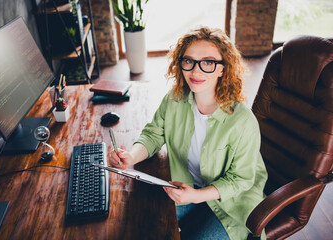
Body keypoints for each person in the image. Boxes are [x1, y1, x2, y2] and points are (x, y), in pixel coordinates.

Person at [109, 27, 268, 240]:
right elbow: (154, 134)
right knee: (140, 219)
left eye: (208, 62)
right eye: (188, 61)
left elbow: (241, 180)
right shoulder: (174, 99)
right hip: (186, 187)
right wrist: (131, 156)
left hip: (231, 204)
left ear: (223, 69)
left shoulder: (243, 121)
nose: (196, 71)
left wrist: (197, 196)